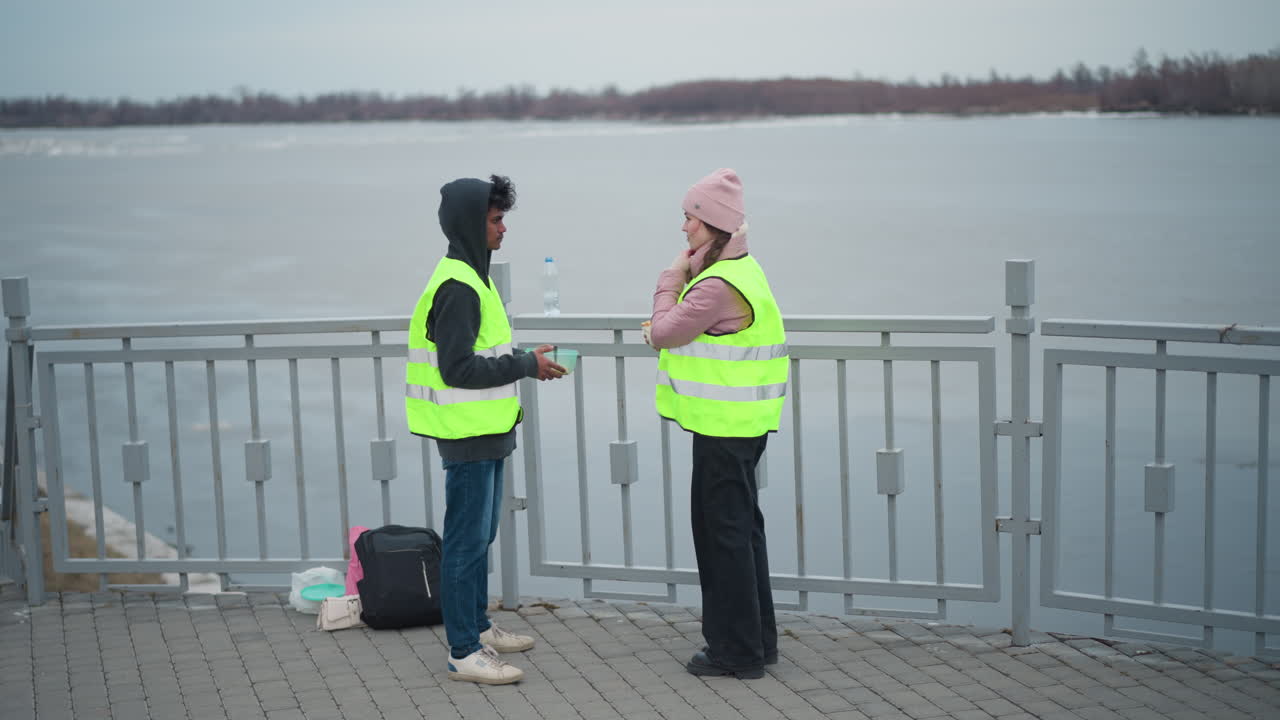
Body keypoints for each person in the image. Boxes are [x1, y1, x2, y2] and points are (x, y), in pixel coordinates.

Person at [405, 174, 566, 685]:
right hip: (467, 433)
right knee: (465, 542)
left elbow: (484, 356)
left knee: (482, 535)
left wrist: (524, 360)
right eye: (496, 220)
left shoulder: (477, 277)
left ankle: (477, 626)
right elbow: (458, 370)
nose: (503, 230)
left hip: (487, 428)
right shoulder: (457, 288)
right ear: (470, 225)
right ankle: (463, 651)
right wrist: (525, 365)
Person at [646, 168, 789, 679]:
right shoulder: (745, 270)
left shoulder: (716, 285)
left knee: (720, 535)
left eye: (689, 217)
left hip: (725, 427)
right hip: (743, 424)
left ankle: (734, 652)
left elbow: (664, 332)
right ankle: (758, 641)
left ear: (711, 224)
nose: (684, 227)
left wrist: (670, 279)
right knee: (743, 531)